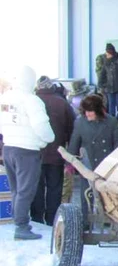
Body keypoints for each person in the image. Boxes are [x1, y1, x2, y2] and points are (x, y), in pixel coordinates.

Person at [0, 67, 55, 239]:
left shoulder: (5, 98)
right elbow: (42, 127)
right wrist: (47, 140)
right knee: (26, 190)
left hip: (8, 148)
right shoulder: (32, 100)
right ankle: (21, 227)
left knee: (16, 190)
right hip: (27, 151)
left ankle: (19, 222)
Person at [68, 94, 118, 222]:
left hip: (107, 162)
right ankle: (85, 219)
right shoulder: (80, 122)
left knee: (107, 192)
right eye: (85, 111)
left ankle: (109, 219)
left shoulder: (111, 121)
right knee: (86, 192)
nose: (87, 114)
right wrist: (70, 162)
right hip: (88, 162)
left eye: (90, 111)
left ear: (98, 110)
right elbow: (74, 142)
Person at [32, 76, 75, 226]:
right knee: (55, 188)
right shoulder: (62, 103)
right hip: (57, 154)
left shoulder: (31, 102)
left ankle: (36, 219)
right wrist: (70, 153)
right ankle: (52, 219)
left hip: (35, 154)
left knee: (36, 188)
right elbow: (72, 129)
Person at [100, 43, 118, 116]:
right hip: (109, 88)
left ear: (110, 52)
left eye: (107, 52)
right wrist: (102, 85)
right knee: (111, 106)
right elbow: (102, 75)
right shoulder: (106, 63)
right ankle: (111, 121)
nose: (106, 54)